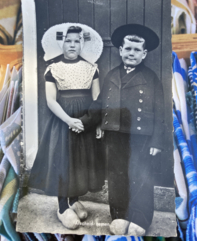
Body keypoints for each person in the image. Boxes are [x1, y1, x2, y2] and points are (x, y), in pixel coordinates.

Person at [80, 24, 165, 236]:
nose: (131, 53)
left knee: (140, 175)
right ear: (120, 50)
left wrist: (156, 141)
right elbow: (99, 104)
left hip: (141, 135)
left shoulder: (151, 78)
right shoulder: (112, 75)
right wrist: (85, 121)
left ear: (144, 54)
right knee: (117, 175)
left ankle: (140, 217)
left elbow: (161, 111)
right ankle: (118, 214)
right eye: (128, 49)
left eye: (137, 50)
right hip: (114, 133)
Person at [28, 25, 105, 230]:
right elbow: (51, 101)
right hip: (63, 121)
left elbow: (97, 99)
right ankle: (62, 207)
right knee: (64, 161)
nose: (72, 45)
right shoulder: (53, 69)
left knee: (80, 160)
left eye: (77, 41)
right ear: (62, 44)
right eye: (68, 41)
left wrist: (95, 122)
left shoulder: (91, 68)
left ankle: (74, 200)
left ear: (82, 44)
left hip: (85, 121)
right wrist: (69, 120)